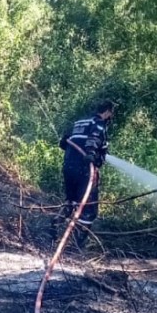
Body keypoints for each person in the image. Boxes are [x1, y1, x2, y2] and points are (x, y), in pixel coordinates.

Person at [54, 99, 115, 243]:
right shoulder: (98, 124)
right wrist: (91, 153)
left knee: (71, 201)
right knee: (88, 206)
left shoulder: (80, 122)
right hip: (84, 168)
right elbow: (94, 139)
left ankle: (54, 229)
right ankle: (77, 242)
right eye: (111, 113)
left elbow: (65, 141)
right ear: (107, 111)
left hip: (68, 166)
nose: (111, 116)